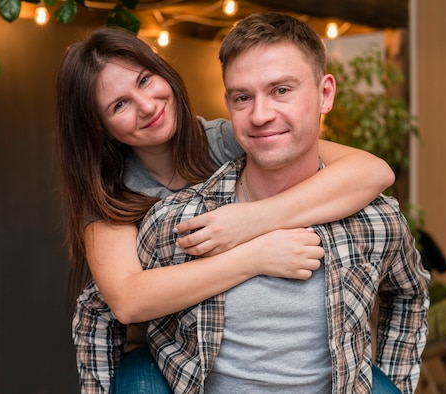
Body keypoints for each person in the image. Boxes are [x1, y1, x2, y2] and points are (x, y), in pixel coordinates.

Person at [55, 27, 395, 393]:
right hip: (174, 355)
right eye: (119, 105)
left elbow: (373, 172)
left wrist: (252, 220)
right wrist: (254, 256)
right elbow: (129, 300)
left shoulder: (229, 140)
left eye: (144, 80)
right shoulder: (110, 192)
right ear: (99, 127)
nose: (147, 105)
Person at [135, 13, 430, 394]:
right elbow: (101, 310)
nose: (260, 115)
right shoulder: (181, 220)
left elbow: (410, 294)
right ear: (228, 103)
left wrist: (392, 383)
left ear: (325, 94)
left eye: (281, 91)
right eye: (243, 97)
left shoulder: (375, 220)